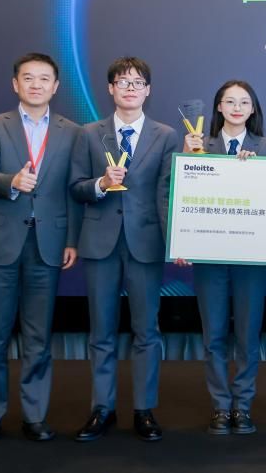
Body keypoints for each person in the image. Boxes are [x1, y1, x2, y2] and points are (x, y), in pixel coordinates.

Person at [0, 52, 80, 445]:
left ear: (55, 86)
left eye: (44, 78)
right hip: (1, 242)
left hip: (48, 244)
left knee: (38, 335)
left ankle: (35, 415)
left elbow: (73, 190)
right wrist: (12, 182)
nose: (36, 84)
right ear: (15, 84)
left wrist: (71, 240)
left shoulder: (72, 132)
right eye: (28, 78)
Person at [68, 56, 180, 442]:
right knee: (101, 330)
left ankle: (144, 409)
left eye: (137, 82)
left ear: (148, 90)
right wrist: (100, 183)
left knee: (146, 330)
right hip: (100, 243)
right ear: (110, 89)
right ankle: (102, 408)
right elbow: (75, 187)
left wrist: (176, 240)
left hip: (145, 243)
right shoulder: (88, 134)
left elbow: (167, 192)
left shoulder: (166, 135)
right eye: (122, 81)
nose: (130, 88)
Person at [182, 80, 266, 435]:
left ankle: (243, 406)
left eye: (244, 102)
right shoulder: (198, 145)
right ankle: (221, 406)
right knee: (215, 334)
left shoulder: (265, 147)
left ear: (253, 109)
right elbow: (181, 193)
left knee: (248, 335)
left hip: (250, 257)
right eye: (229, 101)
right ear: (218, 107)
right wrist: (188, 158)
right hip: (210, 257)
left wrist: (255, 171)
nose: (237, 108)